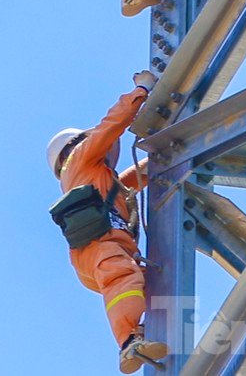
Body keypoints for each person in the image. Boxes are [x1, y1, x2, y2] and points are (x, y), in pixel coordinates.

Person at [48, 71, 169, 373]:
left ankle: (143, 335)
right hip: (101, 248)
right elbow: (110, 127)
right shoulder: (80, 159)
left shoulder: (96, 178)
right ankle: (129, 342)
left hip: (103, 250)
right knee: (123, 277)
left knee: (146, 281)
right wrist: (140, 91)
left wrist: (165, 158)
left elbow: (131, 182)